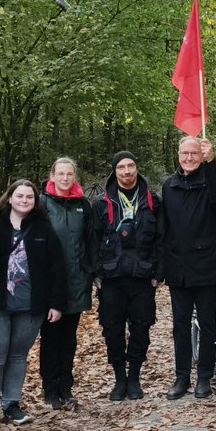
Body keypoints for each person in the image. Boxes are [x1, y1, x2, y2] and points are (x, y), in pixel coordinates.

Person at [0, 180, 64, 426]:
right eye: (20, 196)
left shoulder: (43, 229)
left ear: (35, 202)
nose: (24, 201)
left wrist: (56, 304)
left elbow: (56, 268)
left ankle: (12, 404)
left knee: (17, 357)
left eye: (29, 197)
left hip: (30, 306)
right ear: (10, 198)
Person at [90, 151, 163, 401]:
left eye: (131, 165)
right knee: (112, 329)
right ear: (115, 171)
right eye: (121, 167)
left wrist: (158, 272)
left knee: (141, 328)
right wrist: (95, 274)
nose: (127, 171)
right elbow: (92, 240)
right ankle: (119, 378)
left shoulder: (152, 200)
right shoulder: (101, 203)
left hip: (142, 276)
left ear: (137, 168)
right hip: (111, 278)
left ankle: (134, 378)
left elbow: (162, 238)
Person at [161, 137, 216, 400]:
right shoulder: (169, 185)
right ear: (178, 155)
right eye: (185, 153)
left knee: (207, 323)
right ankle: (181, 378)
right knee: (180, 325)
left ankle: (204, 377)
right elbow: (163, 226)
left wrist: (212, 162)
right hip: (178, 267)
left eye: (194, 153)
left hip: (206, 266)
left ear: (201, 156)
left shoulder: (209, 182)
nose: (189, 158)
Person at [38, 157, 96, 410]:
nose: (64, 178)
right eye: (60, 173)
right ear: (52, 176)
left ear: (75, 177)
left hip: (76, 279)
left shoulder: (83, 205)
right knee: (50, 336)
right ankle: (50, 389)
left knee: (69, 338)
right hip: (49, 281)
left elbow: (90, 240)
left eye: (69, 174)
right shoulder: (41, 204)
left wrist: (90, 272)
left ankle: (66, 387)